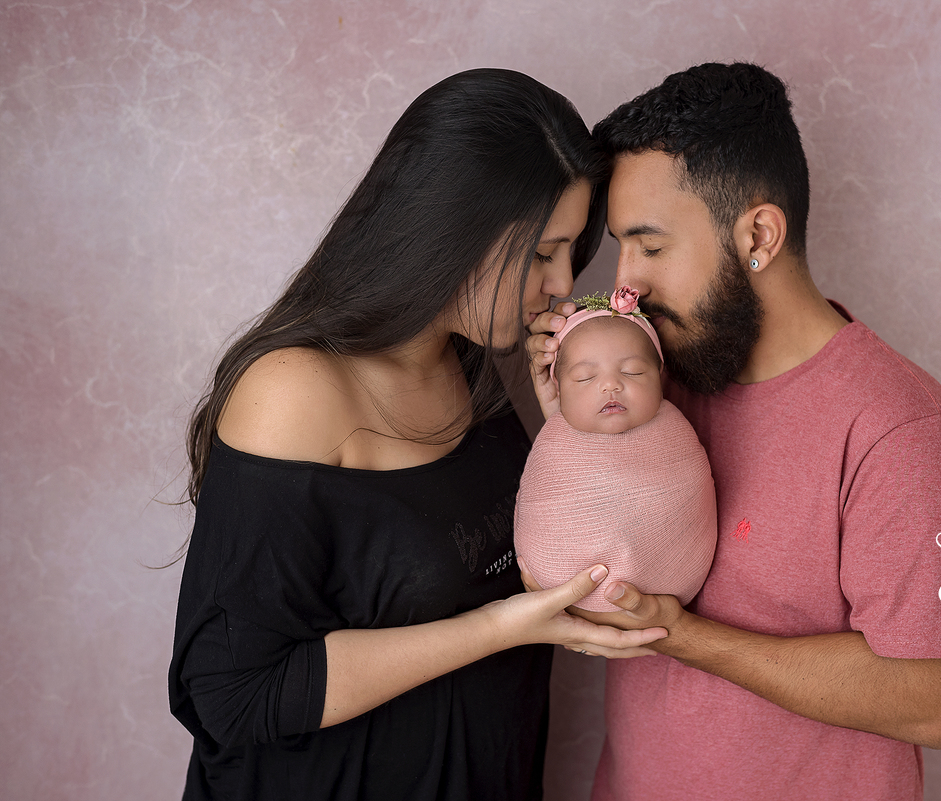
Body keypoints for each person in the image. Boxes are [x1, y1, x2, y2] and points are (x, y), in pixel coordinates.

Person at [167, 68, 667, 801]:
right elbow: (231, 691)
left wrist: (570, 424)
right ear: (449, 228)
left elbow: (547, 558)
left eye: (570, 251)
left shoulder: (472, 362)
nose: (563, 282)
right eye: (542, 253)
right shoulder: (293, 393)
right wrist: (498, 630)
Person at [526, 63, 941, 800]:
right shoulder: (655, 381)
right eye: (620, 248)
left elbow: (933, 701)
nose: (626, 283)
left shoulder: (904, 432)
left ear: (759, 235)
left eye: (649, 245)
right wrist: (571, 420)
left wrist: (681, 634)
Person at [514, 289, 718, 612]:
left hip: (673, 588)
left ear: (660, 378)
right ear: (559, 388)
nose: (610, 385)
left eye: (633, 372)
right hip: (568, 598)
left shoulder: (677, 434)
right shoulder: (555, 439)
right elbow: (544, 503)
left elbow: (693, 499)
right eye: (584, 377)